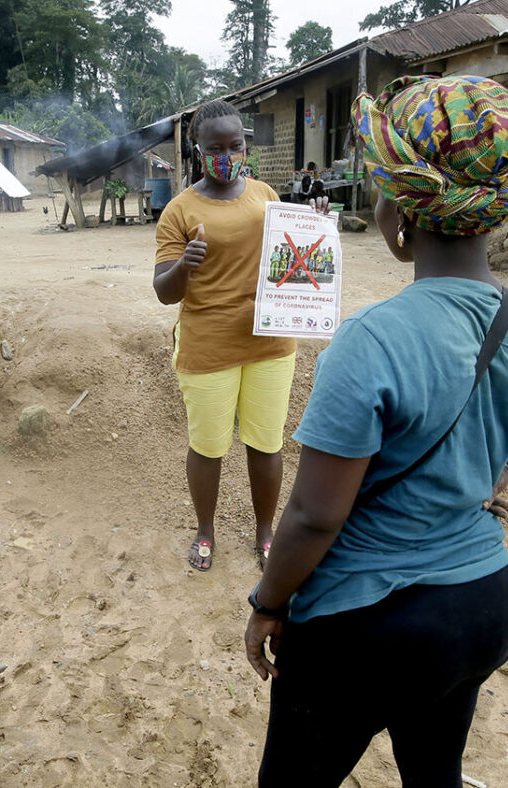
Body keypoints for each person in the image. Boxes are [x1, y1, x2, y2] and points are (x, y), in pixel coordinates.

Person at [244, 75, 508, 786]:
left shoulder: (372, 339)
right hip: (481, 607)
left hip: (364, 626)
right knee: (435, 773)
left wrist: (268, 605)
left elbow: (313, 517)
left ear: (400, 205)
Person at [153, 100, 326, 572]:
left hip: (270, 345)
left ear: (246, 146)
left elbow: (294, 258)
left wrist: (315, 222)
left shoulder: (266, 195)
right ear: (198, 150)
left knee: (266, 443)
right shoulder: (179, 210)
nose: (227, 155)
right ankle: (206, 530)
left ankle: (266, 532)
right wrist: (184, 266)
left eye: (236, 145)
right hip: (208, 346)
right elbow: (164, 292)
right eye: (215, 147)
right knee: (208, 447)